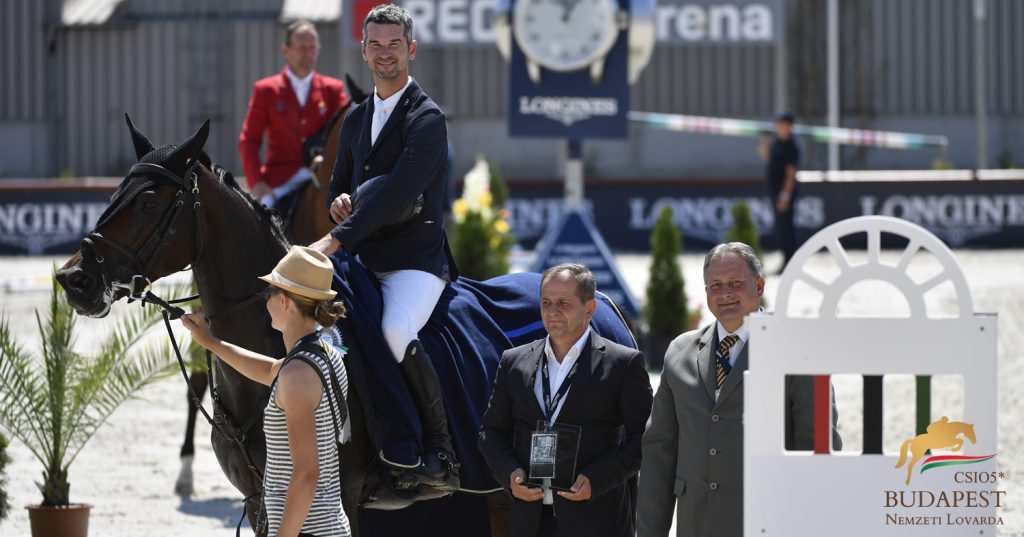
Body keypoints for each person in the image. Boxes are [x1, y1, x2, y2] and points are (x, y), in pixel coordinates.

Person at [308, 4, 459, 490]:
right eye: (376, 44)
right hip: (362, 261)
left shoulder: (427, 119)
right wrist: (338, 204)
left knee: (394, 329)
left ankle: (440, 449)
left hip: (414, 263)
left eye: (395, 44)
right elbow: (336, 186)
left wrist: (335, 237)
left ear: (410, 50)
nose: (385, 52)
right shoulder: (355, 119)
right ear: (364, 50)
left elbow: (398, 192)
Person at [636, 242, 842, 537]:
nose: (726, 293)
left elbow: (819, 449)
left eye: (735, 283)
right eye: (716, 285)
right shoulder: (679, 352)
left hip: (768, 523)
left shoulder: (798, 349)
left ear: (759, 286)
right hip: (696, 524)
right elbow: (659, 454)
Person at [181, 246, 351, 537]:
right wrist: (211, 342)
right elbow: (271, 370)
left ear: (284, 301)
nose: (265, 300)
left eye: (268, 292)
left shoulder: (297, 376)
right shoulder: (324, 353)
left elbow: (307, 474)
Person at [478, 263, 653, 537]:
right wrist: (510, 474)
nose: (552, 311)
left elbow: (644, 438)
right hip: (531, 522)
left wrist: (597, 479)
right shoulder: (513, 362)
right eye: (546, 302)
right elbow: (490, 432)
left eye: (563, 303)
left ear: (590, 308)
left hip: (595, 520)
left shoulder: (623, 364)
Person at [238, 20, 349, 208]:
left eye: (312, 47)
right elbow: (249, 140)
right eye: (302, 47)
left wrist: (324, 156)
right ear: (286, 49)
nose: (307, 53)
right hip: (279, 180)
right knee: (258, 224)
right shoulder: (266, 90)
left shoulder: (333, 89)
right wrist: (257, 183)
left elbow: (345, 134)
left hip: (320, 176)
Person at [765, 111, 800, 270]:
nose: (778, 127)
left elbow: (790, 173)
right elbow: (767, 158)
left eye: (781, 124)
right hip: (775, 190)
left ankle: (790, 261)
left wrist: (785, 196)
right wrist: (764, 143)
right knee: (780, 228)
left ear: (788, 126)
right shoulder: (776, 143)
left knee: (787, 228)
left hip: (784, 193)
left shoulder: (791, 146)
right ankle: (785, 260)